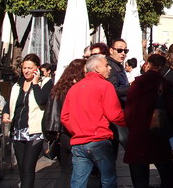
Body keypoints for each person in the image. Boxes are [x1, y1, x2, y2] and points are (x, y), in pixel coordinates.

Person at [61, 55, 126, 188]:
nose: (109, 68)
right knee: (108, 180)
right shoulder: (105, 86)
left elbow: (65, 117)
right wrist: (130, 121)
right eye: (106, 65)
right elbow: (114, 114)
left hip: (79, 141)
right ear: (97, 68)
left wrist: (77, 130)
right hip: (99, 140)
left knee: (78, 182)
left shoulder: (75, 88)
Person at [125, 53, 173, 188]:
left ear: (148, 64)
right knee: (166, 172)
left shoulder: (136, 83)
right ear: (162, 67)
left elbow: (128, 110)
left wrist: (131, 127)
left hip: (138, 133)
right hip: (157, 131)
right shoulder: (164, 84)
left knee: (139, 175)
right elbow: (171, 108)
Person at [2, 53, 52, 188]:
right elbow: (10, 103)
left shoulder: (45, 82)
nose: (26, 71)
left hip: (35, 131)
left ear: (37, 68)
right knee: (22, 168)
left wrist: (35, 84)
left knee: (28, 167)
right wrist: (6, 112)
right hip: (18, 131)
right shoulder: (17, 84)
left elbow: (41, 100)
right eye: (24, 68)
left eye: (30, 68)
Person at [44, 59, 87, 188]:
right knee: (74, 169)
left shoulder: (58, 88)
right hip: (72, 132)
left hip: (60, 134)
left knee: (65, 169)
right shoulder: (75, 89)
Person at [107, 38, 130, 154]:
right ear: (111, 50)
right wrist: (130, 88)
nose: (123, 53)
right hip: (116, 112)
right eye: (120, 50)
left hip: (120, 110)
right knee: (129, 145)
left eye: (125, 51)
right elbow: (111, 90)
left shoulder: (117, 65)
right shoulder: (111, 67)